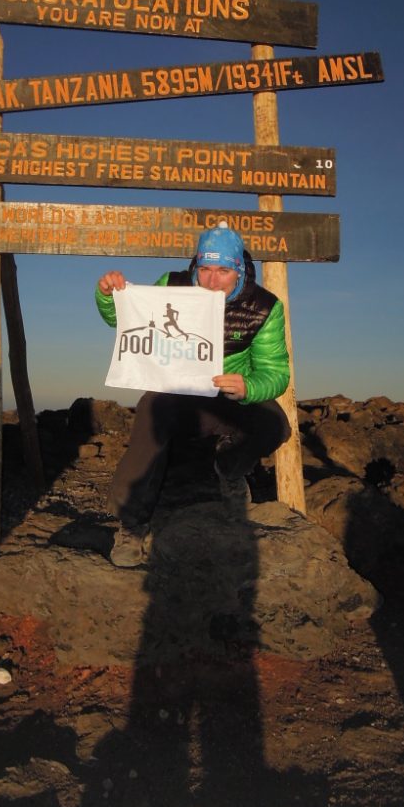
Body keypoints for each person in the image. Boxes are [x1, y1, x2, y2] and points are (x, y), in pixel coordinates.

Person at [96, 223, 291, 567]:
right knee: (150, 413)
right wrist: (110, 296)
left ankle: (229, 470)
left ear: (239, 270)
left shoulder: (264, 306)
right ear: (196, 265)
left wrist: (248, 387)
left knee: (275, 424)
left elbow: (276, 373)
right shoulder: (172, 285)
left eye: (223, 271)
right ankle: (132, 524)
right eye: (205, 269)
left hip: (229, 394)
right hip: (178, 393)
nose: (212, 281)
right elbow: (127, 320)